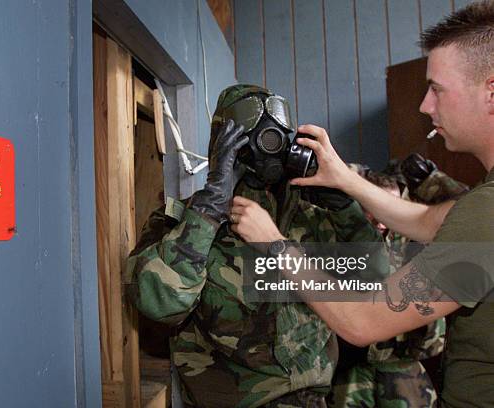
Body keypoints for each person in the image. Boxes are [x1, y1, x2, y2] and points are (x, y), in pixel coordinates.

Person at [228, 2, 494, 406]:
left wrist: (274, 245)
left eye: (437, 88)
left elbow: (363, 320)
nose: (425, 105)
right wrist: (346, 180)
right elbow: (427, 222)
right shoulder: (482, 203)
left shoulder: (488, 212)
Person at [128, 84, 388, 407]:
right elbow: (159, 303)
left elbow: (379, 281)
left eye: (279, 136)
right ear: (225, 147)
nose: (271, 146)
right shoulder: (181, 222)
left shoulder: (316, 219)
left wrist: (343, 206)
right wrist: (208, 210)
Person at [331, 160, 467, 408]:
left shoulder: (417, 235)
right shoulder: (343, 235)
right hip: (353, 364)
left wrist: (434, 180)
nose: (381, 221)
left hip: (404, 361)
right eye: (372, 210)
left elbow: (469, 209)